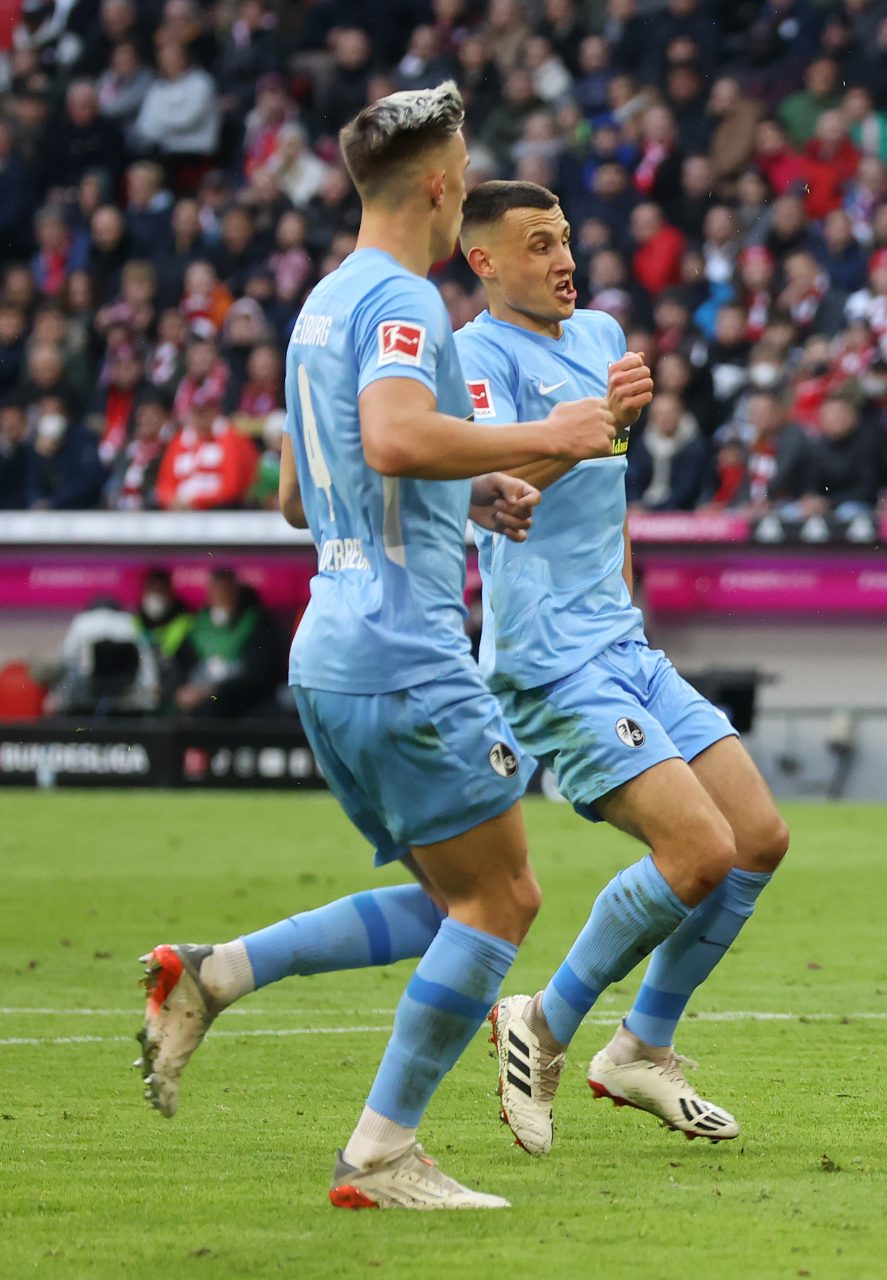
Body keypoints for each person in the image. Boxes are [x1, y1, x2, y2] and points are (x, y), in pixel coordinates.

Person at [134, 84, 618, 1211]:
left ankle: (213, 972)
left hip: (332, 645)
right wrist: (549, 433)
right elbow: (397, 435)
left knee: (459, 900)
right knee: (501, 903)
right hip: (406, 649)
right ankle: (380, 1154)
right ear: (445, 187)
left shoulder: (322, 303)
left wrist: (476, 486)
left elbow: (305, 491)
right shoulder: (404, 300)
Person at [453, 179, 789, 1153]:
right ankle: (543, 1025)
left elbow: (612, 490)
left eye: (564, 240)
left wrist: (627, 598)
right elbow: (492, 490)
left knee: (758, 836)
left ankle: (640, 1044)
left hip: (621, 640)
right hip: (547, 659)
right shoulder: (471, 357)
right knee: (698, 851)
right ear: (483, 261)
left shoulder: (600, 335)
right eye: (536, 245)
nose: (562, 259)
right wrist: (591, 423)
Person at [170, 566, 283, 719]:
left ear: (236, 593)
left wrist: (214, 690)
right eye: (216, 592)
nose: (221, 597)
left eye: (225, 591)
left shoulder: (257, 624)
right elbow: (181, 664)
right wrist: (181, 689)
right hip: (199, 699)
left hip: (241, 702)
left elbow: (259, 675)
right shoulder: (198, 624)